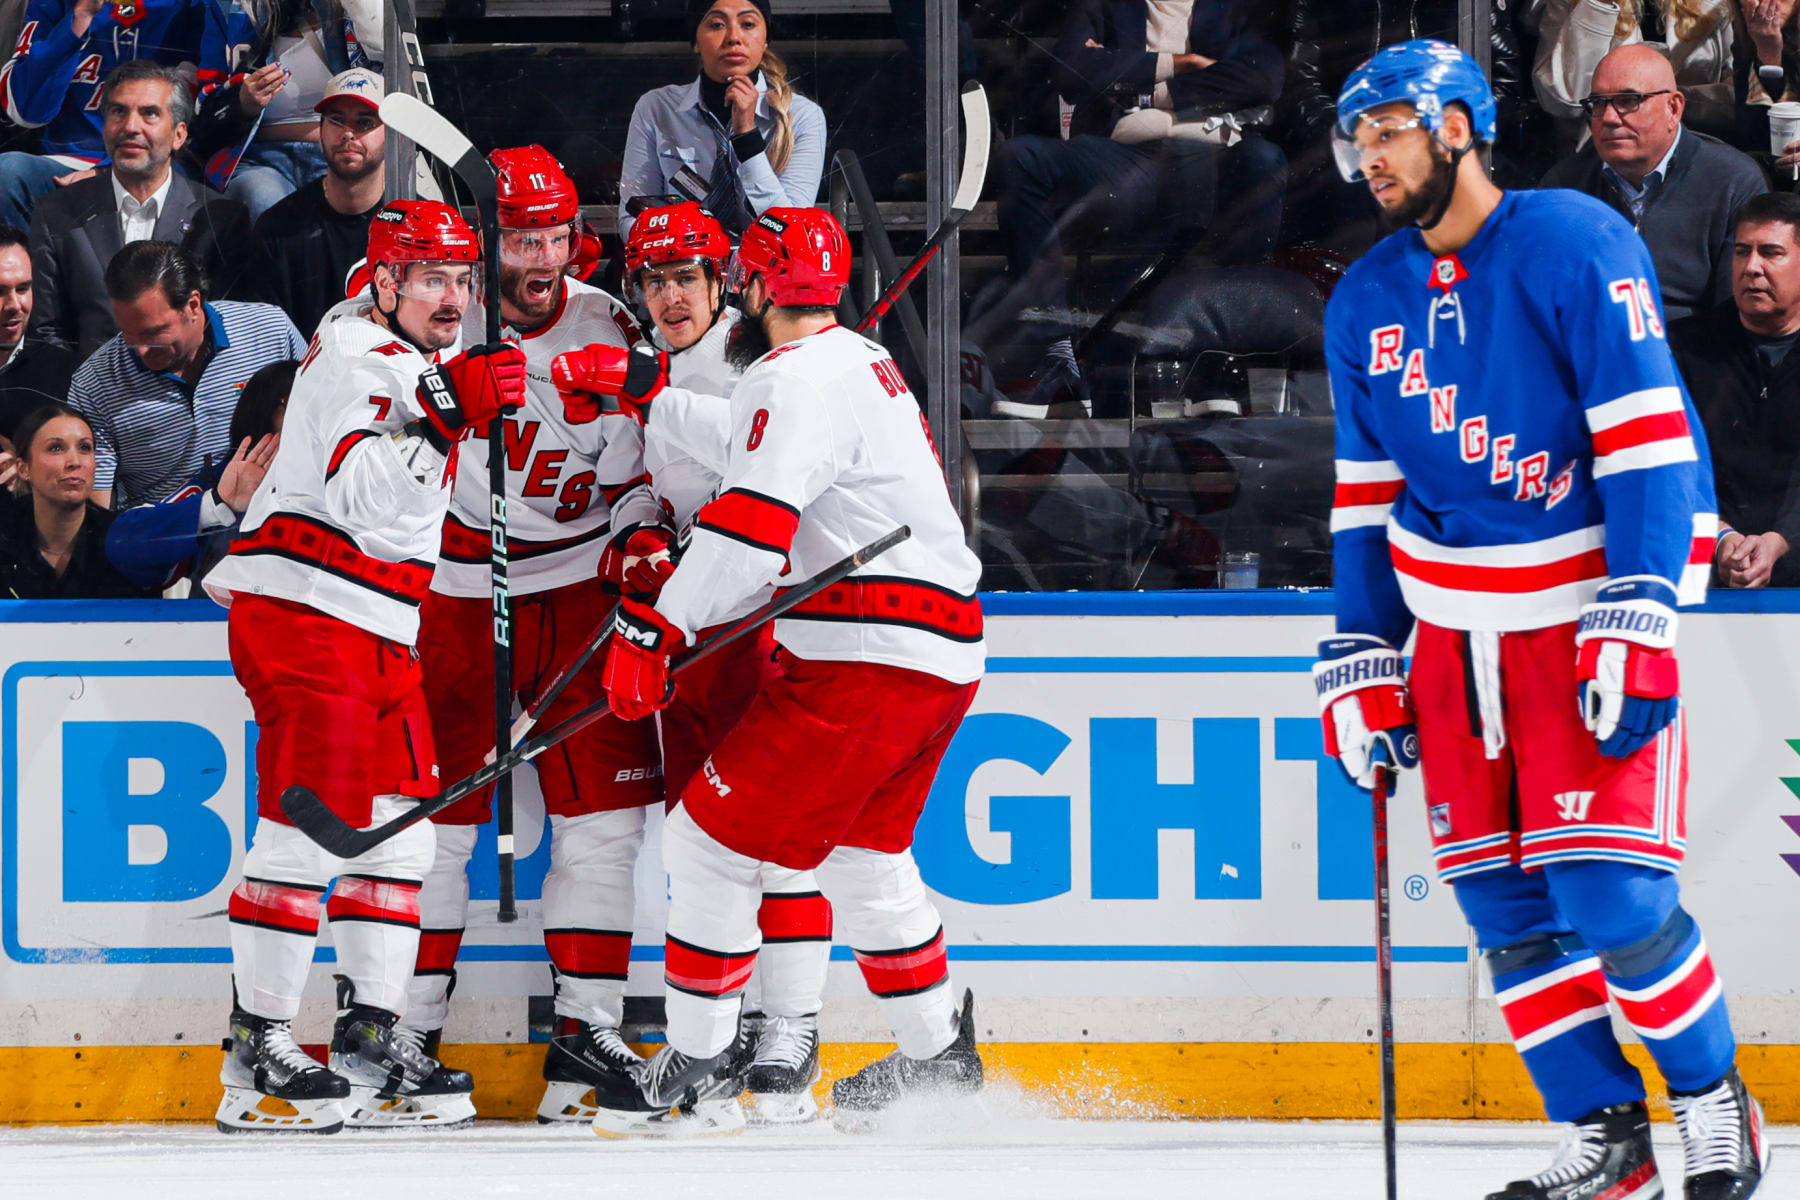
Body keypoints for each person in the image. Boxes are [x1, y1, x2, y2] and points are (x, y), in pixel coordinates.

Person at [1318, 39, 1768, 1200]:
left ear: (1458, 127)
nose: (1368, 159)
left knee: (1611, 896)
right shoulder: (1365, 295)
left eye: (1390, 133)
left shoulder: (1575, 238)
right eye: (1356, 139)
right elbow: (1365, 501)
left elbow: (1647, 437)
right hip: (1448, 640)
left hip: (1577, 622)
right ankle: (1605, 1134)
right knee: (1506, 911)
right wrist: (1362, 648)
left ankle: (1715, 1105)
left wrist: (1639, 606)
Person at [553, 208, 985, 1136]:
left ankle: (699, 1060)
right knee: (866, 859)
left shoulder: (791, 382)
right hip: (937, 655)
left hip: (861, 655)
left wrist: (657, 629)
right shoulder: (859, 363)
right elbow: (747, 436)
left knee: (703, 843)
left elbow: (748, 536)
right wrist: (645, 391)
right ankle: (938, 1056)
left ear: (749, 287)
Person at [201, 199, 527, 1134]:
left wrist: (458, 402)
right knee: (312, 835)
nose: (454, 298)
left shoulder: (404, 356)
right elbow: (362, 495)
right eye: (432, 278)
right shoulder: (359, 360)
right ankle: (255, 1051)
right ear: (383, 283)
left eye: (463, 280)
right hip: (309, 614)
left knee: (403, 836)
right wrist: (448, 416)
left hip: (378, 624)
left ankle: (369, 1038)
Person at [397, 146, 670, 1127]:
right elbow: (367, 396)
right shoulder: (434, 313)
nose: (542, 254)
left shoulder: (609, 326)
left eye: (555, 233)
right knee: (438, 826)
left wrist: (641, 540)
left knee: (604, 828)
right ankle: (404, 1038)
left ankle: (583, 1043)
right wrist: (446, 396)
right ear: (490, 239)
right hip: (454, 590)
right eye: (521, 235)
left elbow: (640, 471)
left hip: (579, 591)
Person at [620, 200, 835, 1123]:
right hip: (691, 634)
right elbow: (642, 485)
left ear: (724, 284)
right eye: (656, 281)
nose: (672, 296)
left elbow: (781, 500)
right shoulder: (656, 370)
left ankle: (792, 1021)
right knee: (700, 840)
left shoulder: (767, 368)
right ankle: (731, 1020)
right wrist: (639, 539)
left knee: (778, 832)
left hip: (766, 625)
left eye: (687, 278)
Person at [988, 0, 1286, 416]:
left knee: (1265, 162)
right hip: (1129, 160)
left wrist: (1150, 89)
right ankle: (1057, 359)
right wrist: (1184, 63)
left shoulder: (1230, 8)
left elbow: (1264, 77)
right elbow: (1073, 72)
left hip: (1215, 157)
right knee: (1022, 159)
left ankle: (1215, 361)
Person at [28, 61, 254, 356]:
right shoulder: (55, 213)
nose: (130, 127)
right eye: (119, 112)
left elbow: (226, 329)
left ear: (179, 135)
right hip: (87, 394)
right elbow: (47, 332)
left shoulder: (220, 218)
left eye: (149, 113)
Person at [68, 240, 304, 510]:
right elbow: (96, 510)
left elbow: (323, 420)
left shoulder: (271, 331)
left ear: (193, 305)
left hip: (274, 514)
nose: (140, 349)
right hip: (163, 537)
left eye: (152, 333)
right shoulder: (95, 383)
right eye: (128, 333)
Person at [1539, 43, 1767, 322]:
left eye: (1628, 101)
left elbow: (1737, 320)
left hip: (1690, 357)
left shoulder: (1733, 183)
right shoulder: (1564, 188)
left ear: (1673, 108)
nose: (1609, 117)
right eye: (1598, 103)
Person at [0, 0, 241, 229]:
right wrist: (78, 21)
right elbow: (27, 113)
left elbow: (191, 121)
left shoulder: (194, 6)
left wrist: (107, 172)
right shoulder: (55, 4)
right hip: (68, 163)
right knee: (8, 172)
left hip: (161, 160)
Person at [1672, 191, 1800, 589]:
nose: (1752, 268)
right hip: (1700, 570)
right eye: (1742, 252)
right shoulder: (1681, 349)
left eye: (1771, 253)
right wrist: (1721, 536)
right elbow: (1669, 463)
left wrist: (1782, 540)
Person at [617, 0, 826, 240]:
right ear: (695, 41)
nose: (734, 38)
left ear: (766, 39)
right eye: (717, 25)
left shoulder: (803, 116)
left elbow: (792, 235)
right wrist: (688, 252)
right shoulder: (657, 108)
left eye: (748, 24)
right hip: (680, 268)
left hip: (767, 272)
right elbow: (630, 220)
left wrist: (747, 138)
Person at [105, 358, 292, 592]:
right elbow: (123, 545)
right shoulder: (223, 483)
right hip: (218, 625)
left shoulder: (342, 484)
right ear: (264, 412)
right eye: (298, 406)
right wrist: (217, 504)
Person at [186, 0, 374, 222]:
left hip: (346, 155)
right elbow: (204, 113)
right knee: (263, 198)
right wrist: (243, 103)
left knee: (347, 211)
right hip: (261, 160)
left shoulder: (362, 8)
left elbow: (387, 80)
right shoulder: (229, 8)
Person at [248, 68, 386, 336]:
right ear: (320, 130)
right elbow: (266, 337)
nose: (348, 134)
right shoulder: (278, 226)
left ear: (391, 134)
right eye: (337, 121)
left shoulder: (412, 227)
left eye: (365, 122)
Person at [0, 401, 154, 597]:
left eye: (85, 448)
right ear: (24, 468)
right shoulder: (5, 539)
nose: (74, 462)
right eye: (56, 448)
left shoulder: (125, 543)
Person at [0, 223, 77, 443]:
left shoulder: (71, 378)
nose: (14, 305)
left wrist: (33, 472)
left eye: (23, 288)